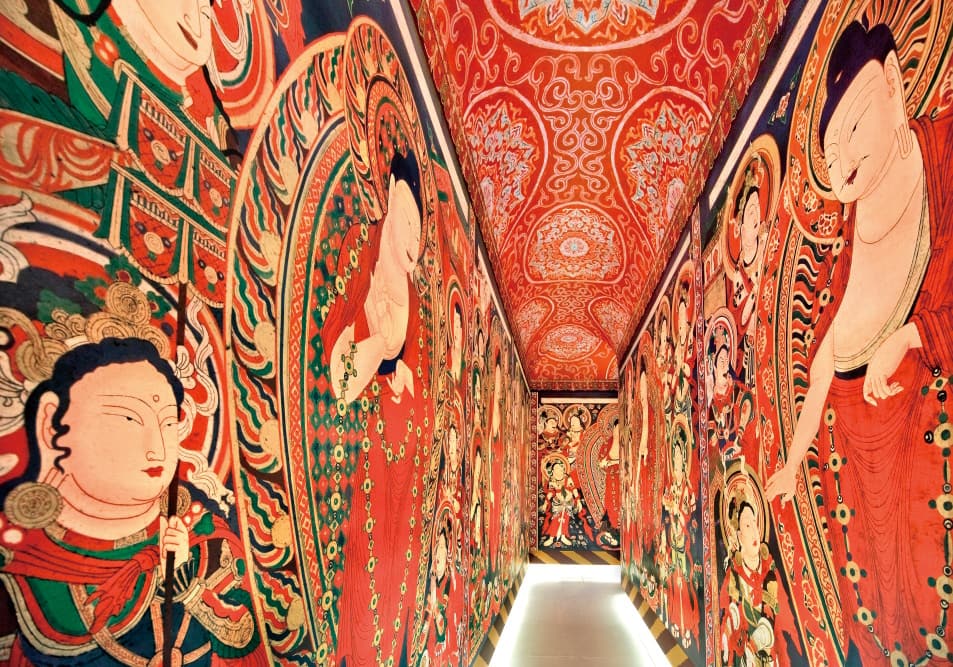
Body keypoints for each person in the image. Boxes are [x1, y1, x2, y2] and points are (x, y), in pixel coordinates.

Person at [766, 21, 953, 664]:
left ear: (899, 85)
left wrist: (910, 335)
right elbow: (820, 368)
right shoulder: (850, 246)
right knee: (883, 602)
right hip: (857, 449)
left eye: (854, 125)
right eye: (832, 145)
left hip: (927, 431)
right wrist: (792, 463)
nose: (843, 158)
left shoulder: (944, 156)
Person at [0, 337, 267, 665]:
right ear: (51, 424)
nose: (157, 449)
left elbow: (246, 639)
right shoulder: (18, 558)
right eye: (127, 419)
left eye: (169, 423)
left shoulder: (203, 533)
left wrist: (189, 585)